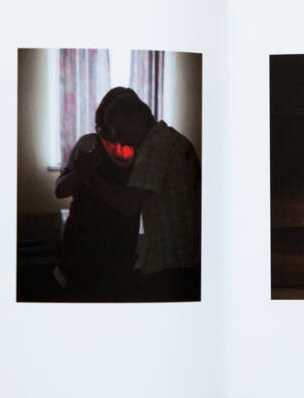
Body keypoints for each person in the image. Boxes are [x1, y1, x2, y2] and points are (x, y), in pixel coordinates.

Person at [91, 92, 201, 301]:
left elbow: (129, 204)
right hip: (188, 257)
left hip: (168, 265)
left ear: (138, 118)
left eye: (122, 133)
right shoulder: (173, 139)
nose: (121, 142)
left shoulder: (153, 149)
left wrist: (88, 176)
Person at [53, 87, 141, 301]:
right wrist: (83, 172)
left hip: (121, 245)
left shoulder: (141, 150)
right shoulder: (90, 143)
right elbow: (60, 190)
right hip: (85, 244)